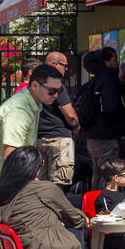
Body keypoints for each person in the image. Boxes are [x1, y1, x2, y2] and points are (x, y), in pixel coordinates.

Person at [0, 64, 65, 212]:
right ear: (34, 85)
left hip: (2, 180)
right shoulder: (19, 110)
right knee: (14, 229)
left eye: (59, 91)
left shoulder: (30, 105)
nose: (56, 96)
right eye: (51, 91)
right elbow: (11, 156)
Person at [79, 47, 125, 190]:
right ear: (107, 59)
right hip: (106, 134)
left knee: (97, 170)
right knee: (109, 171)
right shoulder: (107, 81)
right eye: (115, 59)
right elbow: (110, 107)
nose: (117, 63)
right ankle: (105, 203)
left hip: (92, 134)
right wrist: (124, 114)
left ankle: (96, 203)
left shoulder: (94, 81)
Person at [36, 52, 80, 188]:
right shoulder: (57, 85)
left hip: (39, 138)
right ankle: (54, 209)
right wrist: (76, 126)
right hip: (59, 139)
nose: (66, 69)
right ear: (56, 65)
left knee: (41, 184)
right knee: (59, 184)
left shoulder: (37, 83)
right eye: (65, 66)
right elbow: (70, 116)